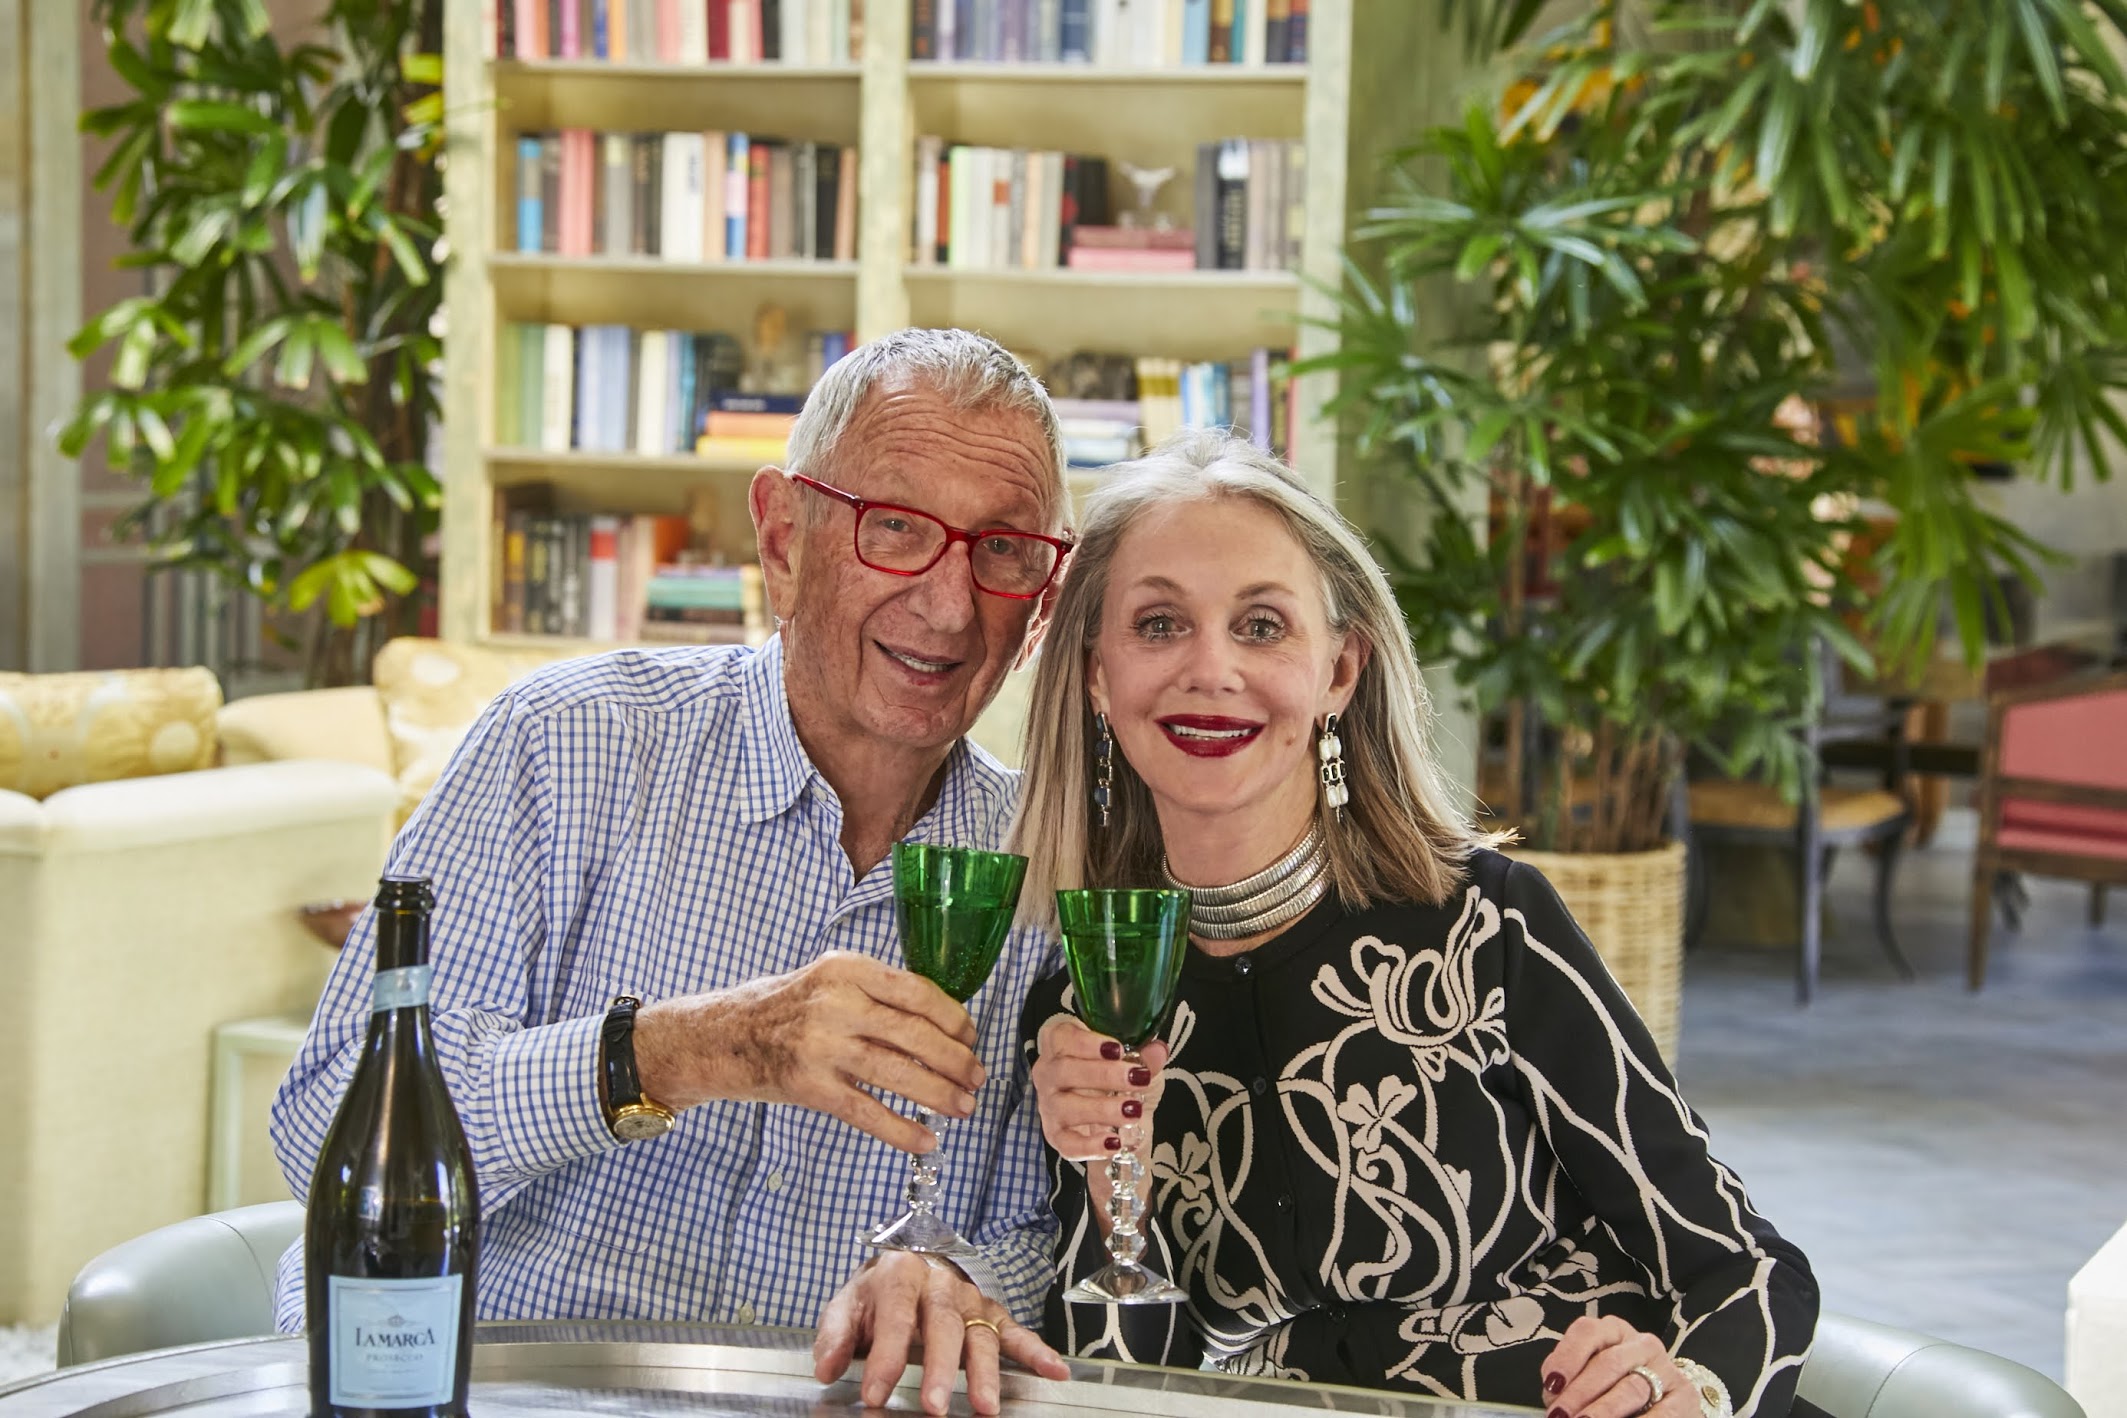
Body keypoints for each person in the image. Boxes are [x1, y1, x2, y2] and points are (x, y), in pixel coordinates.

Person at [269, 328, 1078, 1418]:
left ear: (1040, 601)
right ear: (784, 538)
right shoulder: (565, 741)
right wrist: (675, 1050)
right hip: (494, 1387)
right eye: (896, 527)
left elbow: (1048, 1224)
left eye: (1004, 549)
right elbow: (327, 1123)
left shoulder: (1053, 867)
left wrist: (966, 1282)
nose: (949, 601)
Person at [1012, 430, 1818, 1418]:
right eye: (1159, 623)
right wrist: (1109, 1184)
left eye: (1262, 624)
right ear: (1098, 675)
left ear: (1339, 671)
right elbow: (1131, 1387)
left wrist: (1684, 1387)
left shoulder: (1487, 921)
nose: (1211, 667)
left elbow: (1742, 1265)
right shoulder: (1079, 1000)